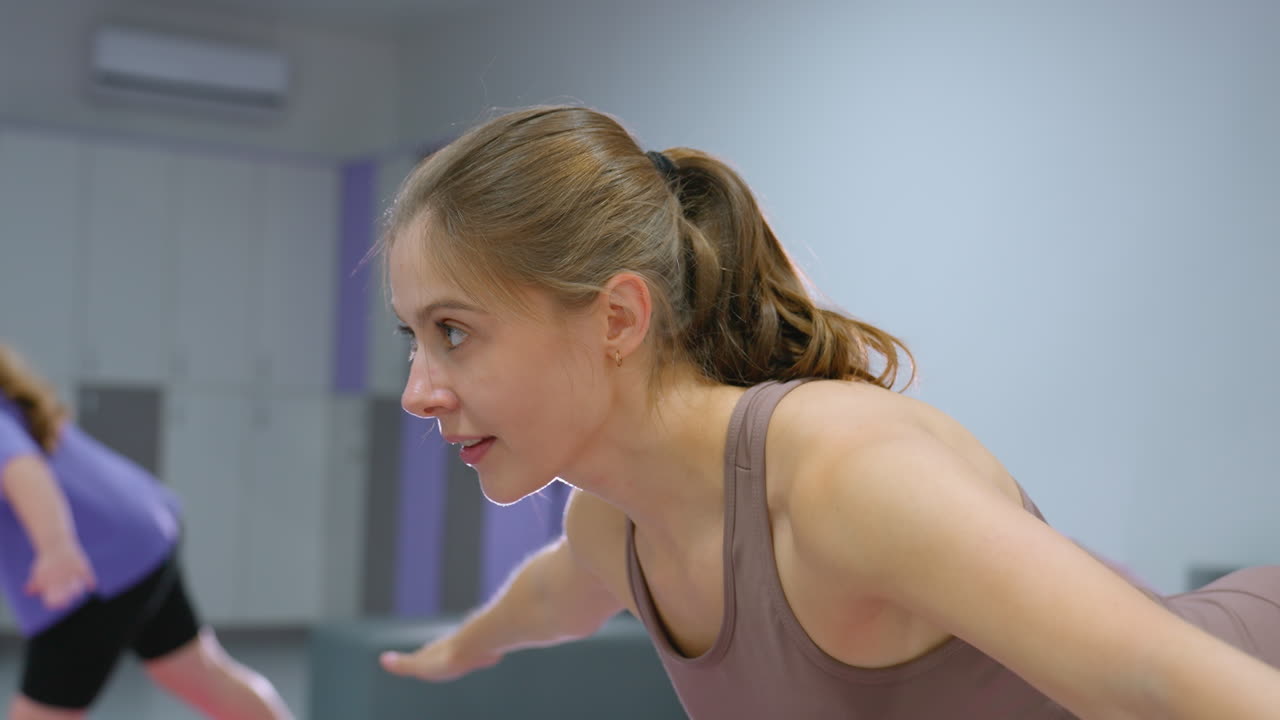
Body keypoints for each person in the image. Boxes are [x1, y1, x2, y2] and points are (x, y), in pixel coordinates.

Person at [374, 106, 1280, 718]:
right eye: (413, 337)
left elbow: (1159, 687)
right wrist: (460, 648)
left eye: (454, 331)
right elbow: (552, 596)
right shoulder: (615, 525)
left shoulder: (845, 482)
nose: (418, 391)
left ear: (617, 319)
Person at [0, 345, 294, 720]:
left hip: (96, 569)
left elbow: (23, 469)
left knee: (39, 715)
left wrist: (56, 548)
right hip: (141, 536)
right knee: (195, 673)